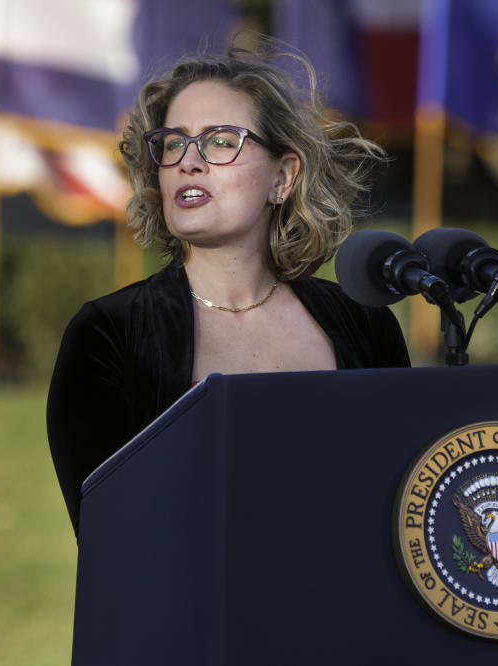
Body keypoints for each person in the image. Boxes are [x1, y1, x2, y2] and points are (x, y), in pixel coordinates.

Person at [47, 43, 410, 535]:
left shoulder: (364, 324)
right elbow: (113, 541)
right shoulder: (110, 333)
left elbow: (397, 505)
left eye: (220, 141)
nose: (188, 162)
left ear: (283, 177)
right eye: (173, 143)